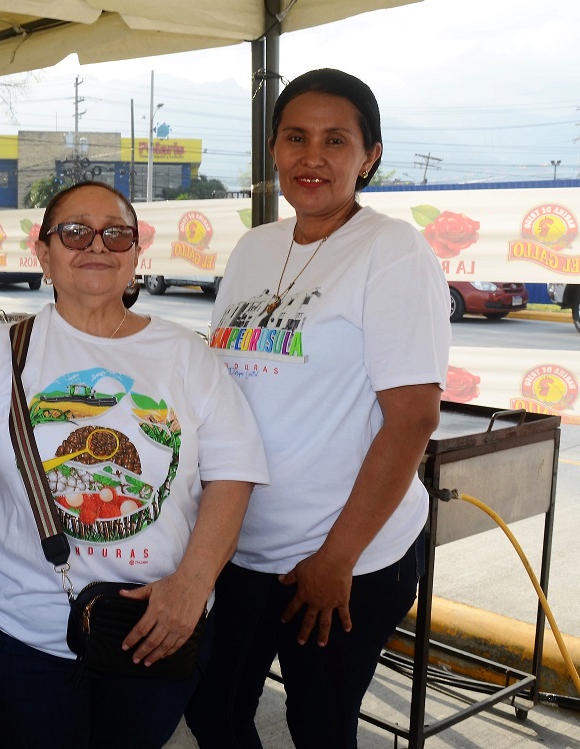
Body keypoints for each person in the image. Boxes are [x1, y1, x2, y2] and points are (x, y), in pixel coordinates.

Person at [0, 181, 269, 749]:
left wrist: (192, 586)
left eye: (117, 233)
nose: (97, 245)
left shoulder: (186, 355)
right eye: (74, 231)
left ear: (137, 253)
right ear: (43, 254)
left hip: (155, 628)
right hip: (22, 634)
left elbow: (232, 475)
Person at [186, 69, 452, 748]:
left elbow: (412, 417)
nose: (312, 156)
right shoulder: (254, 247)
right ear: (272, 149)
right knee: (211, 709)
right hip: (242, 546)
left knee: (317, 725)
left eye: (336, 140)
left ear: (369, 156)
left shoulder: (390, 250)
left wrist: (336, 557)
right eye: (295, 137)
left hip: (345, 559)